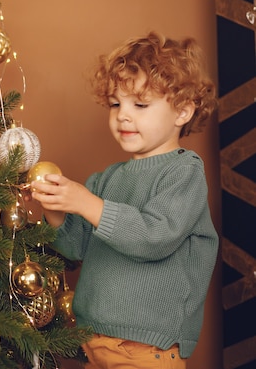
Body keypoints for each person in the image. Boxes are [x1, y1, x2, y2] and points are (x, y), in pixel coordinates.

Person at [29, 32, 219, 369]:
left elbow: (154, 237)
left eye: (140, 105)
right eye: (116, 104)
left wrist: (86, 203)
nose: (123, 116)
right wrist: (57, 209)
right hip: (93, 341)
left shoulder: (184, 173)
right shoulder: (106, 179)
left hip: (146, 348)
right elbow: (74, 249)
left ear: (183, 112)